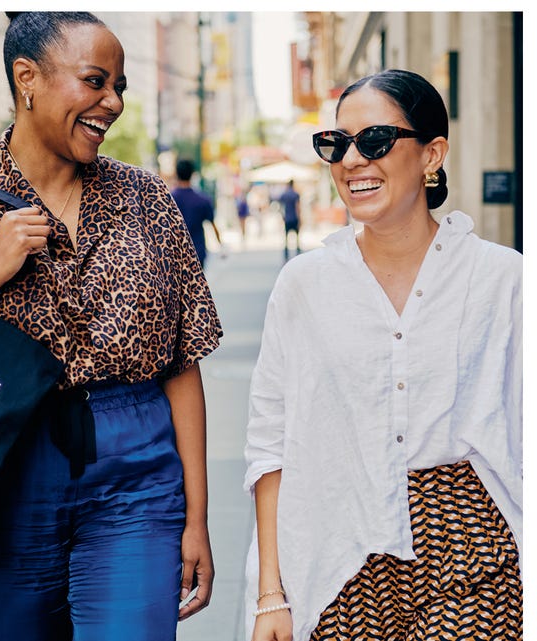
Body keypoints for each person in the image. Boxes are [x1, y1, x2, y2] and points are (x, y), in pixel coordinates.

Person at [0, 12, 222, 641]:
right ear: (27, 79)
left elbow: (183, 363)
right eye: (94, 81)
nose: (112, 103)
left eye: (119, 87)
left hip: (134, 479)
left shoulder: (147, 201)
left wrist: (197, 519)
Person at [244, 69, 522, 641]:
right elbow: (270, 444)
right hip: (337, 551)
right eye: (336, 144)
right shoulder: (303, 285)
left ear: (431, 154)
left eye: (374, 141)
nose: (351, 160)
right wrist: (271, 594)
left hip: (473, 551)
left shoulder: (505, 279)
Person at [171, 158, 223, 269]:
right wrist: (220, 245)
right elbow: (212, 225)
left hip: (174, 253)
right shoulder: (202, 200)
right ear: (193, 174)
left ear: (176, 173)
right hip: (196, 252)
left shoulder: (168, 199)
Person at [277, 179, 301, 261]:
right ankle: (298, 254)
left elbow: (280, 207)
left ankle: (286, 256)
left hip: (287, 219)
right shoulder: (295, 194)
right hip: (294, 218)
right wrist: (300, 218)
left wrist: (282, 217)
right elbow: (298, 207)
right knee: (297, 238)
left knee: (286, 239)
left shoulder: (284, 195)